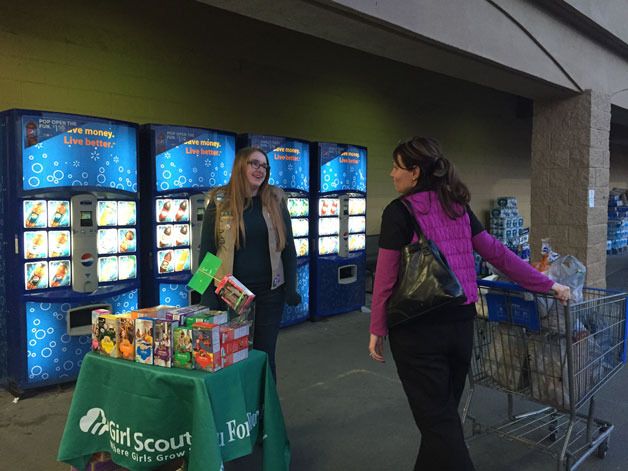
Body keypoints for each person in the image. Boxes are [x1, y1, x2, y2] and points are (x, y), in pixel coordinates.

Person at [368, 137, 570, 471]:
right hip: (461, 328)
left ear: (415, 172)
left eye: (396, 167)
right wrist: (548, 285)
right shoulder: (457, 208)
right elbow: (500, 255)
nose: (391, 174)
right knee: (441, 420)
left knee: (439, 426)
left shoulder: (398, 212)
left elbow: (385, 277)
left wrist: (377, 326)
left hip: (418, 334)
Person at [199, 146, 301, 379]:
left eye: (264, 166)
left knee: (265, 357)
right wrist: (205, 294)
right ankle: (240, 412)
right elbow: (208, 251)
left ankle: (267, 413)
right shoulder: (220, 201)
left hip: (270, 293)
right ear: (240, 166)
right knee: (235, 356)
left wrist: (291, 288)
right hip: (231, 295)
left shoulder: (275, 200)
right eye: (254, 163)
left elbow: (288, 248)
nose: (260, 169)